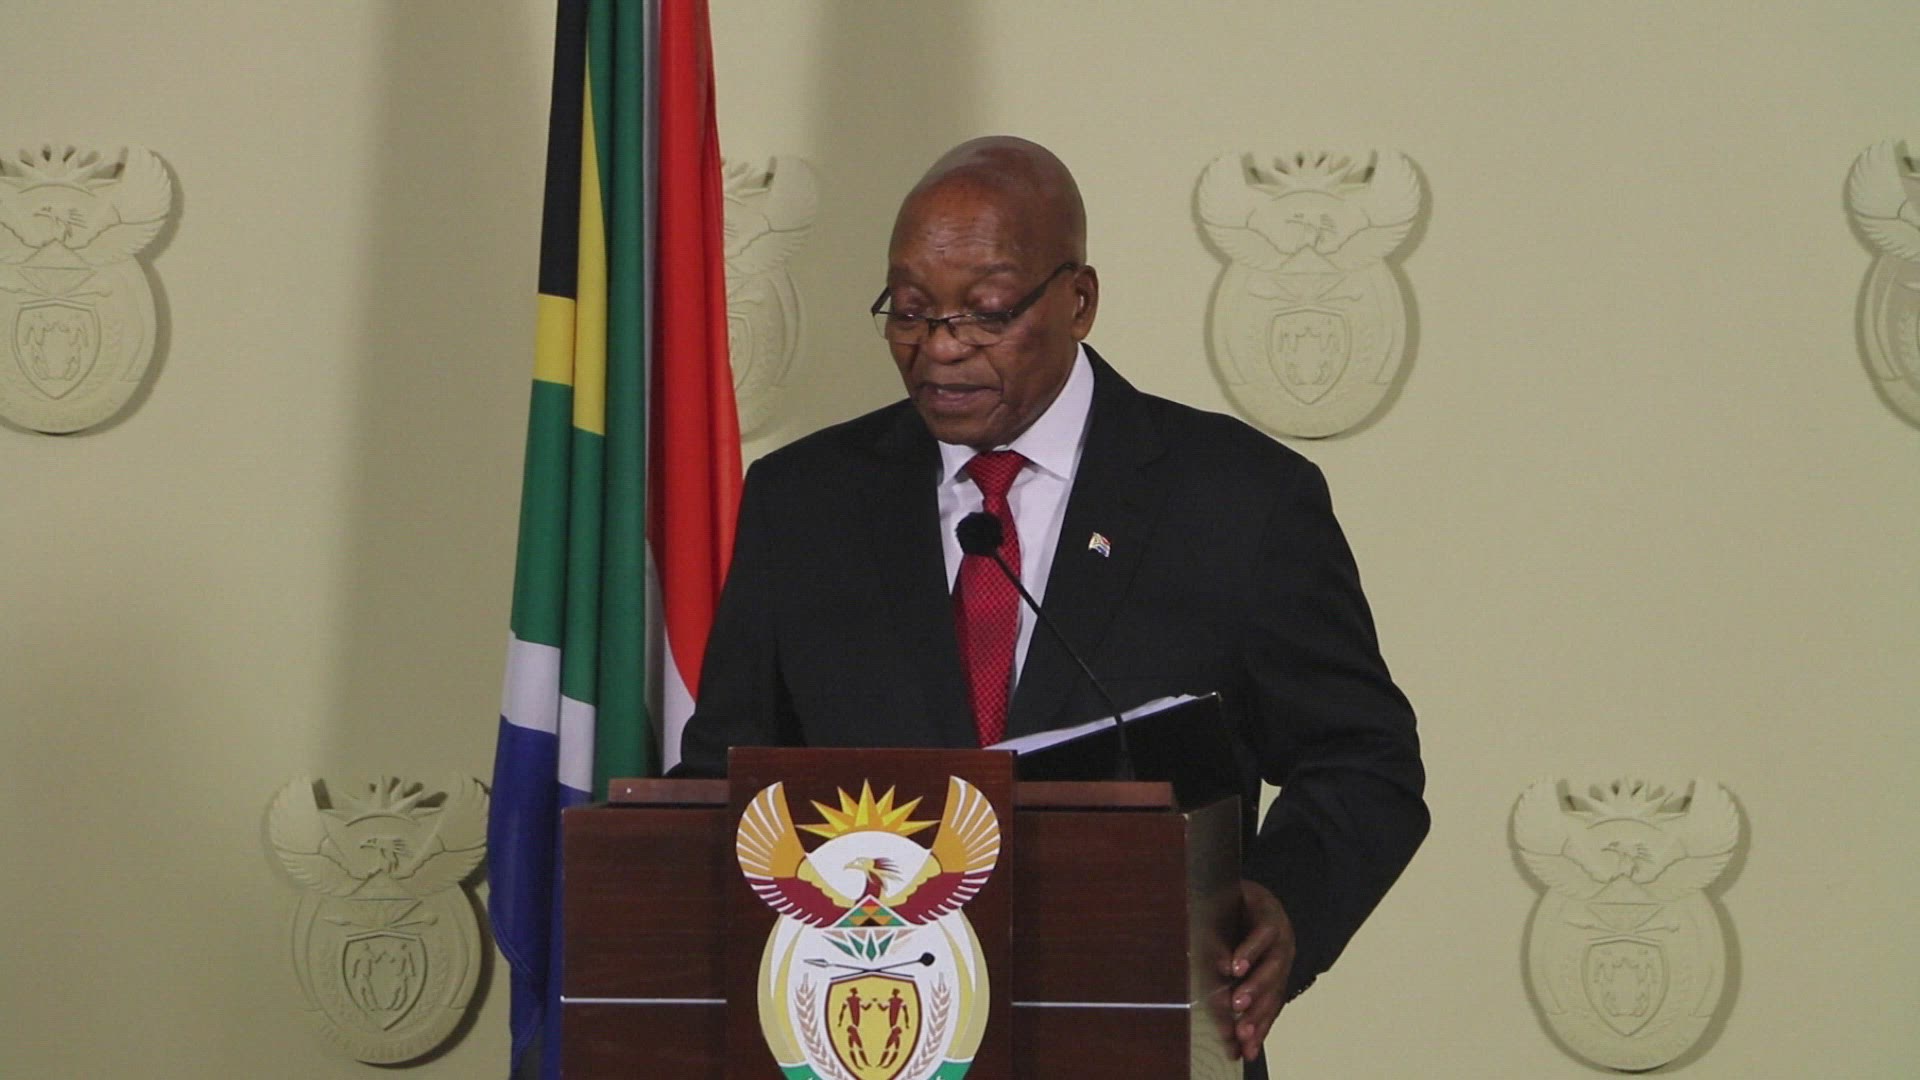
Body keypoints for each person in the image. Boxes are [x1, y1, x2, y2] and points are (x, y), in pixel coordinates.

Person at [677, 136, 1428, 1074]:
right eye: (909, 310)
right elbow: (724, 778)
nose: (940, 346)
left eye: (987, 312)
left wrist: (1284, 904)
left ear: (1079, 300)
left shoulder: (1239, 501)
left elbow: (1364, 761)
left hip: (1140, 1038)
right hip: (873, 1033)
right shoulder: (804, 503)